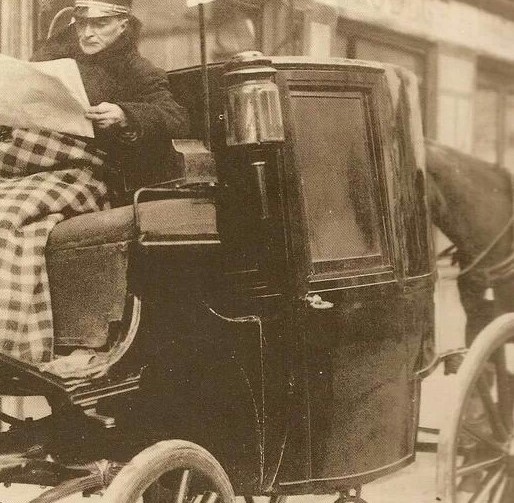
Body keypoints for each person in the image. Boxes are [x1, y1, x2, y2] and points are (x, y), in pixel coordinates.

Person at [0, 0, 189, 363]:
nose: (87, 32)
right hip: (24, 166)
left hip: (83, 174)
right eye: (82, 21)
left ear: (122, 24)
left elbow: (176, 118)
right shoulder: (53, 57)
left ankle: (11, 342)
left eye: (100, 24)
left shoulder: (138, 71)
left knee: (10, 217)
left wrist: (124, 114)